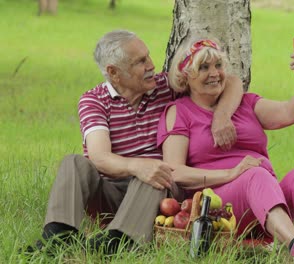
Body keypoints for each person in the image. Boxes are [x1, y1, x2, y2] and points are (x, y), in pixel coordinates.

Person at [24, 30, 243, 255]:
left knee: (155, 173)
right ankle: (58, 236)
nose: (151, 65)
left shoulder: (166, 87)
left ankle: (117, 243)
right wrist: (136, 166)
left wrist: (222, 116)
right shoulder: (94, 100)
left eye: (147, 56)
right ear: (114, 72)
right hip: (112, 192)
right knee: (74, 162)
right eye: (140, 61)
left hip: (158, 193)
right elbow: (100, 157)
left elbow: (233, 82)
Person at [157, 38, 294, 264]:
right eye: (204, 67)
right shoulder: (179, 112)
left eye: (218, 66)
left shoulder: (245, 103)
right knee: (256, 175)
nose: (215, 73)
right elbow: (176, 172)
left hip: (265, 196)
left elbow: (290, 113)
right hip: (221, 205)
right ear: (185, 76)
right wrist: (232, 173)